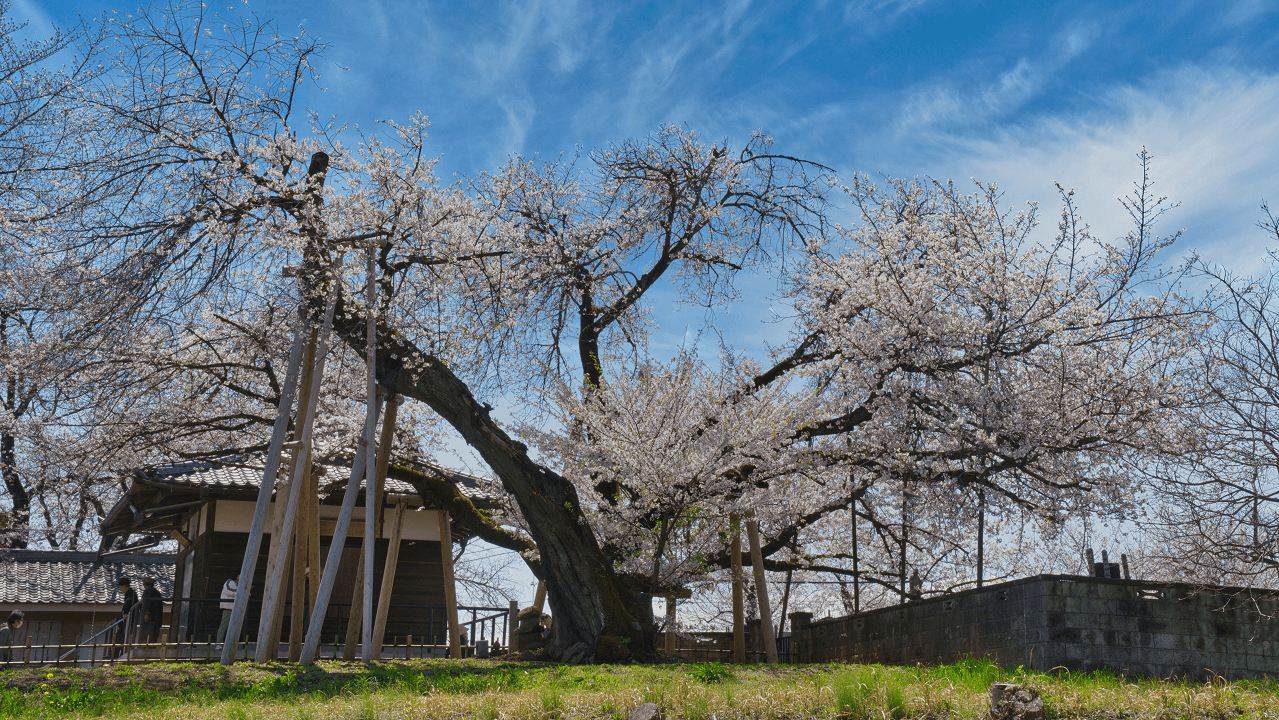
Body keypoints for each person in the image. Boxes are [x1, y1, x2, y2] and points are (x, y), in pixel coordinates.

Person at [113, 577, 138, 657]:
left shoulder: (130, 593)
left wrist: (126, 613)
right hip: (128, 620)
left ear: (124, 586)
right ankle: (116, 653)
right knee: (121, 636)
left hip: (127, 621)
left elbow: (128, 603)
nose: (120, 589)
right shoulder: (131, 593)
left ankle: (116, 654)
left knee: (121, 636)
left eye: (120, 587)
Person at [138, 577, 163, 645]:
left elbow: (146, 603)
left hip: (149, 620)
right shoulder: (158, 593)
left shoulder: (147, 592)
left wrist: (146, 614)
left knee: (146, 639)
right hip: (157, 620)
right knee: (153, 640)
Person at [216, 573, 239, 646]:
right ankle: (218, 643)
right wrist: (240, 593)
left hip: (236, 608)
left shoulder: (239, 584)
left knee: (235, 626)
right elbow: (228, 591)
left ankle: (231, 643)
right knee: (224, 625)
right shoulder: (230, 581)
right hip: (228, 607)